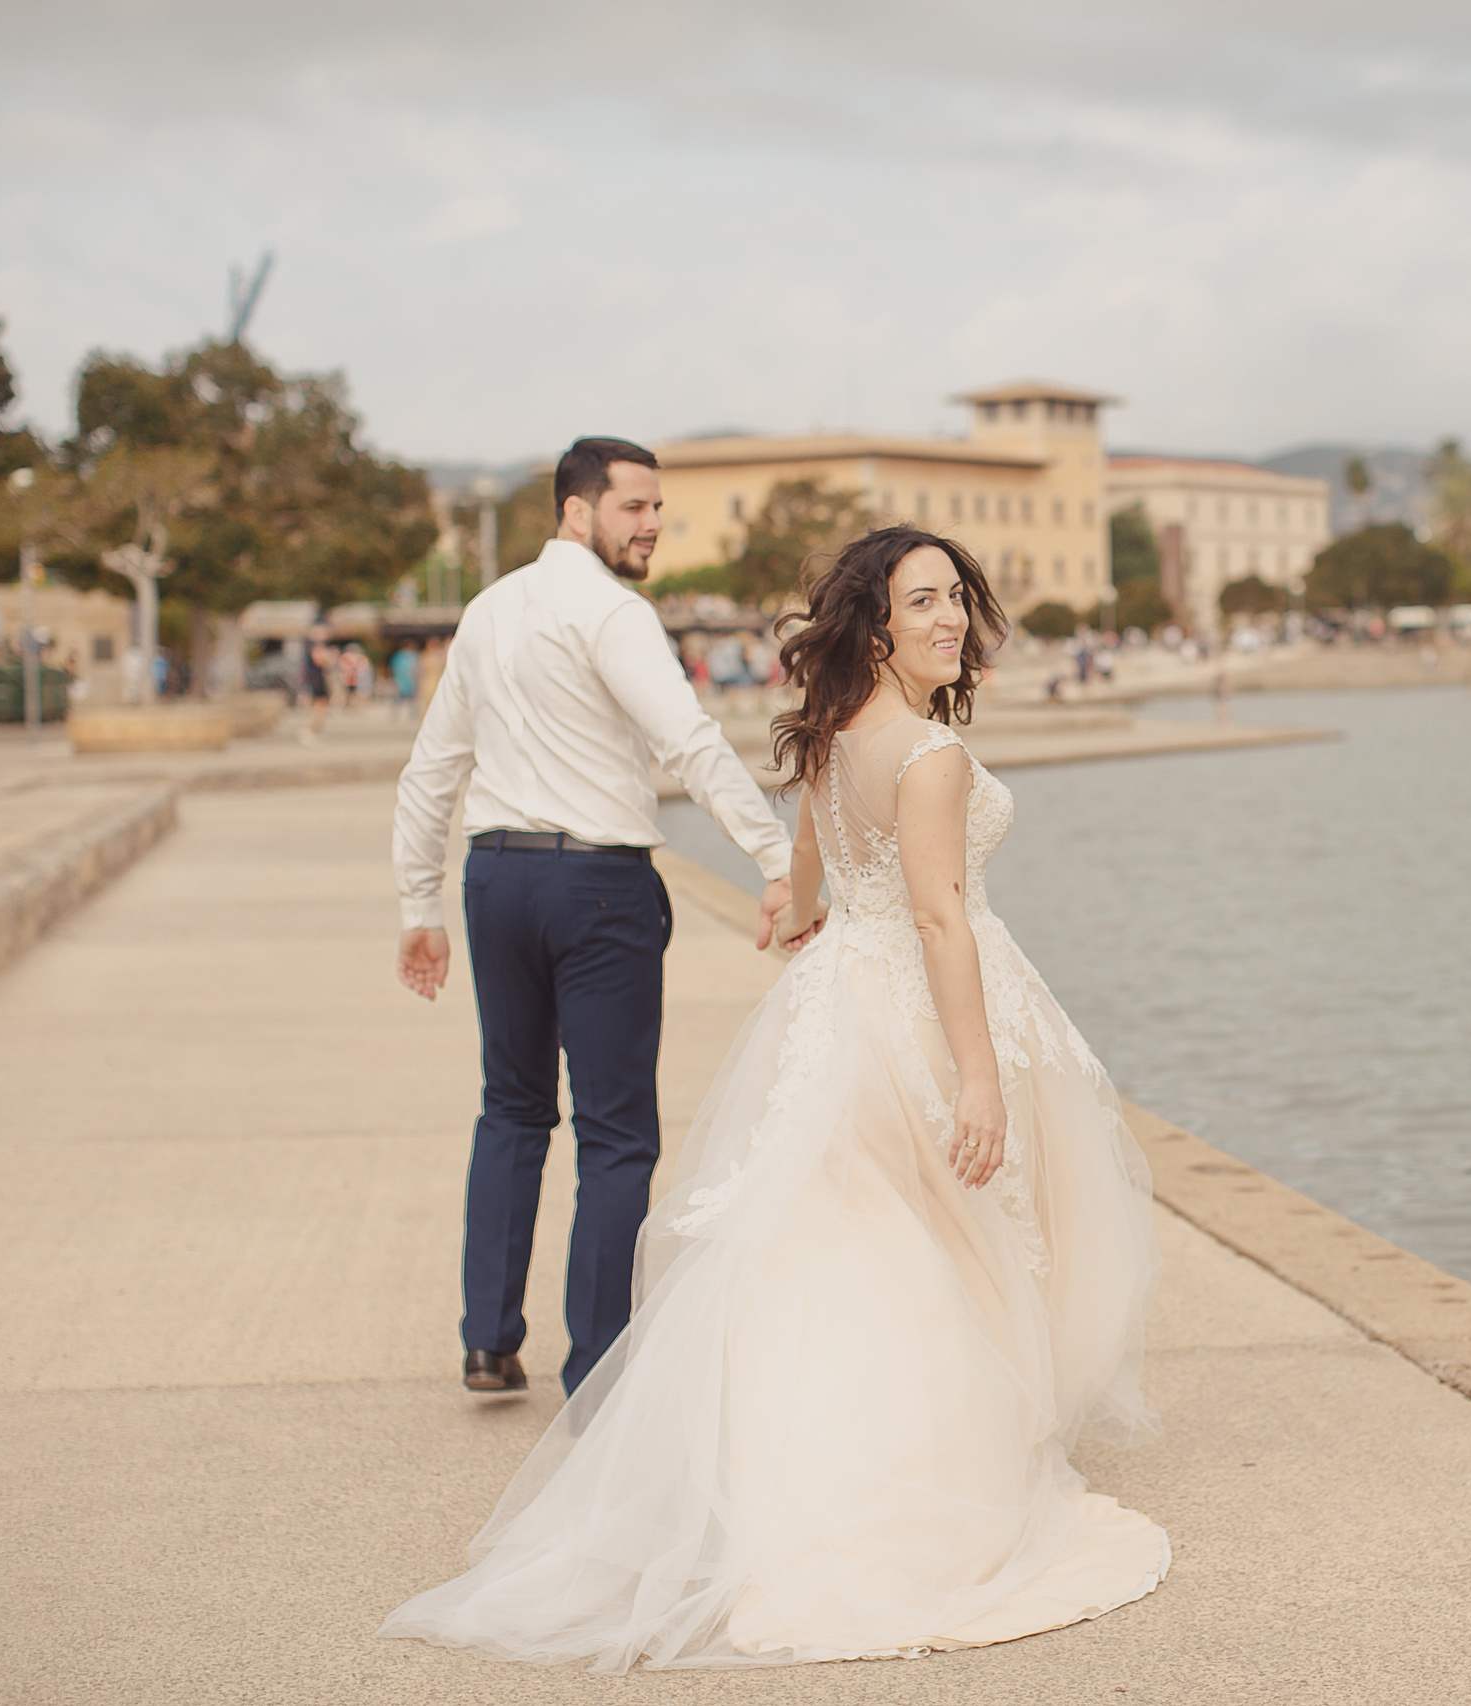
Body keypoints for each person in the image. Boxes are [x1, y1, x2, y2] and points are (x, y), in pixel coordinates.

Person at [380, 526, 1166, 1671]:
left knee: (848, 1239)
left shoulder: (838, 728)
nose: (953, 618)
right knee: (951, 1237)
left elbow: (812, 854)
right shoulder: (927, 756)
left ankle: (800, 1476)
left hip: (837, 999)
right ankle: (926, 1478)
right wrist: (981, 1072)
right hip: (917, 1011)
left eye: (960, 597)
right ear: (879, 623)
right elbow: (942, 917)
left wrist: (793, 910)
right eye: (925, 602)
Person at [390, 437, 797, 1401]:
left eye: (657, 509)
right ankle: (598, 1368)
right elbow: (688, 742)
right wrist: (780, 863)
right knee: (616, 1135)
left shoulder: (486, 614)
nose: (652, 524)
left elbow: (431, 772)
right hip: (598, 887)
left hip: (495, 882)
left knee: (513, 1109)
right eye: (634, 508)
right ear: (577, 511)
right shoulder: (612, 613)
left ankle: (488, 1341)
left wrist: (421, 905)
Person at [389, 642, 420, 722]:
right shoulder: (402, 656)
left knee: (409, 698)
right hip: (403, 680)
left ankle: (411, 713)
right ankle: (398, 714)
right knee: (400, 698)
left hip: (406, 680)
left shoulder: (406, 656)